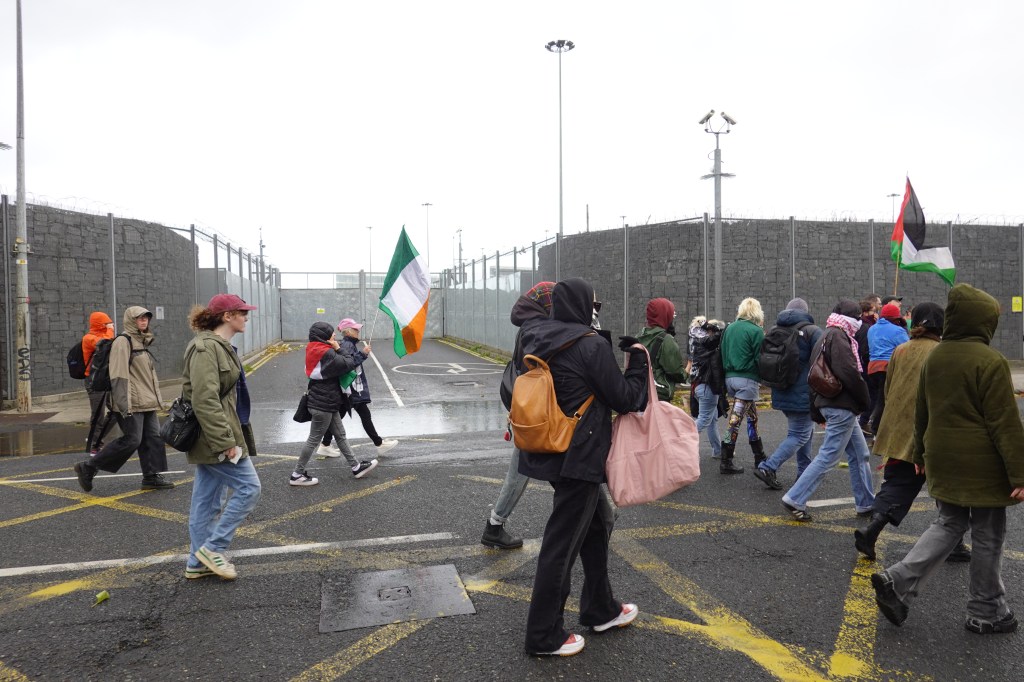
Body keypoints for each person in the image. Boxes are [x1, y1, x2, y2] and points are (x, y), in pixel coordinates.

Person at [872, 284, 1024, 634]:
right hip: (982, 464)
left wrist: (919, 454)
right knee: (987, 533)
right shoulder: (990, 361)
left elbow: (921, 412)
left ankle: (898, 580)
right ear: (981, 321)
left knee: (948, 523)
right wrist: (1019, 472)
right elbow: (1004, 423)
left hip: (940, 456)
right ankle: (986, 609)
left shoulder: (935, 357)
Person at [518, 278, 647, 657]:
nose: (595, 311)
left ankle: (601, 608)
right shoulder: (590, 345)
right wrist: (638, 362)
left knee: (597, 524)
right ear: (581, 306)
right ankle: (543, 635)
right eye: (594, 305)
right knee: (561, 545)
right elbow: (626, 398)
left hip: (550, 448)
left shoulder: (535, 337)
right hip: (580, 455)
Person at [854, 302, 970, 562]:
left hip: (899, 430)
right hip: (931, 431)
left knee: (898, 483)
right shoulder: (943, 352)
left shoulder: (901, 350)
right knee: (949, 488)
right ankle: (955, 543)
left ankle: (871, 530)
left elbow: (888, 389)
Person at [182, 294, 262, 580]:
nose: (246, 316)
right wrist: (226, 442)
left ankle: (196, 562)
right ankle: (212, 549)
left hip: (218, 434)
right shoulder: (205, 349)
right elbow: (204, 400)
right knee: (250, 488)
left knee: (206, 503)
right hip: (215, 438)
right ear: (227, 316)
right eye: (242, 312)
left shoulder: (220, 346)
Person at [780, 299, 874, 522]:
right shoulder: (840, 337)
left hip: (833, 404)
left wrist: (816, 410)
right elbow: (850, 373)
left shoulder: (826, 335)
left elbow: (813, 375)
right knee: (829, 455)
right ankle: (795, 498)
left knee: (860, 454)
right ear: (851, 319)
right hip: (843, 405)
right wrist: (865, 401)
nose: (859, 323)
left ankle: (866, 503)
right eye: (858, 319)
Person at [482, 282, 555, 550]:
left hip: (528, 409)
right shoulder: (538, 328)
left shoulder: (529, 324)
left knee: (528, 467)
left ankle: (495, 525)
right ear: (547, 303)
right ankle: (494, 526)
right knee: (525, 466)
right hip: (536, 412)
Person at [73, 306, 174, 493]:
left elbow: (147, 376)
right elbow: (118, 375)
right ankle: (88, 467)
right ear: (130, 320)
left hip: (146, 400)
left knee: (153, 437)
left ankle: (151, 476)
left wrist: (158, 399)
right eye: (139, 318)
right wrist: (122, 404)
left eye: (146, 318)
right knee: (132, 440)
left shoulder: (141, 341)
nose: (144, 321)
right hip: (130, 401)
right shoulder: (123, 341)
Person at [291, 322, 376, 486]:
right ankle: (296, 474)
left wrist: (336, 348)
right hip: (323, 404)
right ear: (324, 336)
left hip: (327, 401)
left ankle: (356, 467)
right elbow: (348, 363)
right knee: (313, 440)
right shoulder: (326, 352)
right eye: (331, 334)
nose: (335, 335)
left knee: (340, 435)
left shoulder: (313, 348)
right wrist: (338, 348)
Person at [753, 298, 823, 490]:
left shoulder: (775, 330)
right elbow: (822, 361)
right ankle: (768, 467)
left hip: (781, 390)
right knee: (799, 434)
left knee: (804, 432)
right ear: (805, 312)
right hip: (803, 393)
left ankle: (803, 473)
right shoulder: (812, 331)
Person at [319, 318, 397, 457]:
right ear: (348, 332)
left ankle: (325, 444)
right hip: (353, 388)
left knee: (339, 416)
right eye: (355, 329)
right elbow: (348, 364)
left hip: (349, 388)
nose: (358, 331)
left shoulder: (348, 344)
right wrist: (363, 354)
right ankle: (379, 444)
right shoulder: (348, 345)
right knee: (364, 415)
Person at [719, 297, 766, 474]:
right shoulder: (756, 331)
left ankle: (759, 456)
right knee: (735, 421)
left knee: (752, 416)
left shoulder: (730, 328)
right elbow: (759, 358)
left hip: (730, 378)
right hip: (747, 380)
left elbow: (723, 353)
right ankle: (726, 461)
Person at [865, 302, 909, 434]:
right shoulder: (898, 331)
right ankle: (876, 429)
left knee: (877, 398)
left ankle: (869, 422)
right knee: (885, 400)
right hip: (887, 368)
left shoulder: (872, 329)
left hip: (872, 368)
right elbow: (908, 348)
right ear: (895, 319)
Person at [687, 316, 726, 459]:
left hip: (698, 386)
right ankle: (681, 443)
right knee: (704, 419)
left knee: (711, 420)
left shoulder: (695, 340)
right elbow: (717, 336)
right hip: (707, 387)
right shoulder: (705, 343)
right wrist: (716, 330)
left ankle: (718, 450)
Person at [637, 298, 687, 403]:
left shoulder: (639, 337)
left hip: (640, 392)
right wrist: (687, 375)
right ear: (665, 315)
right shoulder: (666, 339)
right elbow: (675, 370)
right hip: (659, 395)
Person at [82, 311, 115, 454]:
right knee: (98, 415)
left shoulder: (105, 336)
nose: (110, 325)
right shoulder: (89, 338)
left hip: (107, 379)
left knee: (116, 411)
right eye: (107, 322)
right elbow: (104, 345)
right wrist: (110, 330)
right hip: (94, 381)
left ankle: (96, 437)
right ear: (100, 324)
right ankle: (94, 446)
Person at [855, 294, 880, 436]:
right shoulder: (865, 327)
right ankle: (863, 421)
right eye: (873, 311)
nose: (875, 314)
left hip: (863, 365)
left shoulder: (863, 325)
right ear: (865, 313)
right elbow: (864, 349)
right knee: (873, 394)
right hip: (866, 366)